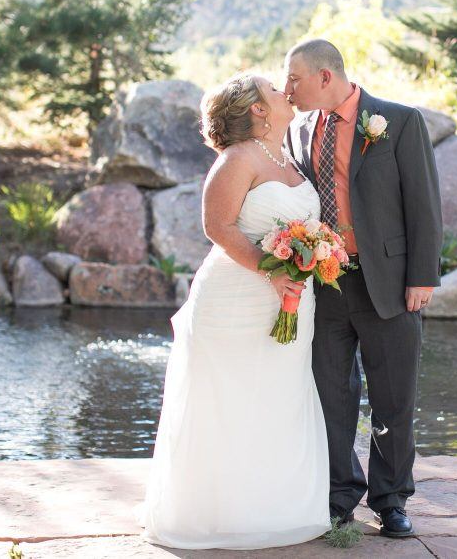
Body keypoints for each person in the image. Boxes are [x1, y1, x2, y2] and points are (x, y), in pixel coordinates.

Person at [138, 73, 330, 550]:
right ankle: (216, 517)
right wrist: (270, 271)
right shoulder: (236, 159)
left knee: (279, 396)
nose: (284, 92)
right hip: (235, 300)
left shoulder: (288, 157)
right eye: (272, 88)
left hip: (291, 296)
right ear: (258, 110)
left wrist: (314, 256)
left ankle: (276, 511)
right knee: (229, 399)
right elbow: (216, 225)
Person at [284, 39, 443, 538]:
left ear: (325, 77)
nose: (288, 90)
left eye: (295, 80)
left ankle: (392, 499)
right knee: (331, 396)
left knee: (394, 396)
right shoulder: (298, 130)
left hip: (391, 283)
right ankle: (338, 497)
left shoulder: (398, 121)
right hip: (324, 285)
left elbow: (424, 203)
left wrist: (422, 276)